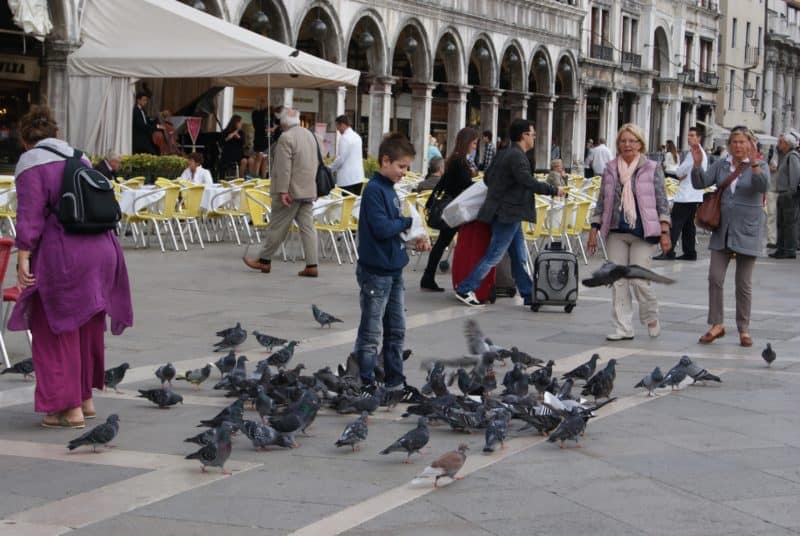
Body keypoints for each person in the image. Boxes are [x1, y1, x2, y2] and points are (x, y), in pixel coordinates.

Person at [9, 105, 133, 428]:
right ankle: (86, 399)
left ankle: (67, 408)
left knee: (54, 326)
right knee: (87, 326)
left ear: (25, 140)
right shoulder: (80, 157)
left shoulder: (30, 162)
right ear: (57, 134)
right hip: (103, 250)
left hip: (65, 254)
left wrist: (23, 257)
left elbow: (30, 216)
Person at [455, 119, 565, 307]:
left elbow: (488, 178)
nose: (534, 138)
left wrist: (503, 190)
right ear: (524, 136)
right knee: (494, 255)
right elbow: (527, 181)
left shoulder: (503, 153)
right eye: (533, 134)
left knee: (519, 256)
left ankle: (528, 294)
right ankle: (466, 288)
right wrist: (554, 190)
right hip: (508, 213)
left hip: (508, 212)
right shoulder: (517, 157)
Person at [354, 133, 431, 387]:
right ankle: (365, 383)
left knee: (397, 330)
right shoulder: (374, 190)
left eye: (407, 167)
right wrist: (407, 222)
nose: (404, 172)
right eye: (401, 166)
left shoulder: (389, 190)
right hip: (376, 272)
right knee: (371, 333)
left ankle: (395, 381)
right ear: (385, 161)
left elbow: (391, 231)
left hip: (393, 269)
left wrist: (412, 239)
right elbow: (381, 228)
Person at [587, 123, 671, 341]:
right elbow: (602, 201)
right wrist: (594, 229)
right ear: (618, 144)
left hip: (643, 232)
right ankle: (623, 328)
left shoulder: (652, 168)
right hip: (616, 230)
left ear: (640, 144)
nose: (627, 145)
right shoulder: (610, 168)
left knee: (638, 279)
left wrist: (665, 232)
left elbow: (662, 201)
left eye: (632, 141)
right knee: (618, 281)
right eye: (623, 141)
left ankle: (650, 315)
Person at [690, 126, 768, 347]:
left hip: (748, 230)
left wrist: (754, 164)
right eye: (734, 142)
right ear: (729, 145)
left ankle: (744, 329)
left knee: (743, 283)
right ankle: (717, 324)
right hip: (722, 229)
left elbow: (763, 186)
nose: (738, 146)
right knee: (715, 278)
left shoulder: (760, 165)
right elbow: (700, 183)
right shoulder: (722, 165)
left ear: (751, 144)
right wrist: (697, 165)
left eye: (742, 142)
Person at [242, 108, 320, 277]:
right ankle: (312, 264)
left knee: (277, 226)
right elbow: (316, 162)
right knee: (308, 228)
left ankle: (264, 260)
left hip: (290, 191)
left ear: (284, 122)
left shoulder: (286, 137)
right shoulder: (310, 135)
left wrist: (283, 191)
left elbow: (284, 168)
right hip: (307, 189)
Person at [420, 127, 479, 292]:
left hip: (451, 206)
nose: (475, 147)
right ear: (467, 142)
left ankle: (428, 276)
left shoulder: (455, 159)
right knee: (447, 242)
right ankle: (430, 277)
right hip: (454, 208)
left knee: (442, 242)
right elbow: (465, 185)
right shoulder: (460, 162)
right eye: (474, 143)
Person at [654, 127, 707, 261]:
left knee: (675, 223)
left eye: (692, 135)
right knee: (688, 225)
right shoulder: (699, 152)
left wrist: (680, 174)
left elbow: (680, 171)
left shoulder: (694, 153)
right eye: (688, 135)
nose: (689, 137)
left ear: (699, 138)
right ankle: (690, 252)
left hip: (686, 195)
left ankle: (668, 251)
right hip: (694, 194)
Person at [770, 130, 800, 259]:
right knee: (781, 223)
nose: (778, 144)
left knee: (789, 223)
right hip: (783, 193)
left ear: (787, 144)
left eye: (781, 142)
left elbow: (795, 175)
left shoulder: (792, 156)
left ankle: (789, 249)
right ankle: (781, 248)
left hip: (788, 194)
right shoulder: (785, 155)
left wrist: (791, 192)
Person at [329, 114, 365, 195]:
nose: (337, 129)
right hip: (359, 177)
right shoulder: (357, 136)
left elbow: (341, 159)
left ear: (342, 124)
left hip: (347, 180)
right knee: (355, 202)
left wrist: (330, 169)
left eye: (337, 126)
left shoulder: (344, 138)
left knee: (348, 202)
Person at [132, 90, 157, 155]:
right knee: (153, 153)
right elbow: (141, 125)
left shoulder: (143, 111)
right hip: (139, 139)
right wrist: (155, 127)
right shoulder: (135, 111)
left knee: (154, 152)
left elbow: (148, 121)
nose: (146, 102)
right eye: (144, 100)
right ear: (138, 100)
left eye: (146, 100)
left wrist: (157, 119)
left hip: (145, 138)